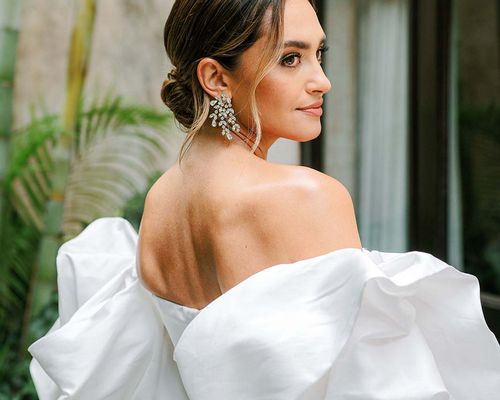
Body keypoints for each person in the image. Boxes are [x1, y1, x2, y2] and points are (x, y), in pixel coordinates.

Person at [28, 0, 500, 398]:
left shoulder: (161, 198)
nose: (322, 81)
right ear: (215, 77)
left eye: (320, 53)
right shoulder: (308, 196)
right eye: (290, 59)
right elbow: (372, 384)